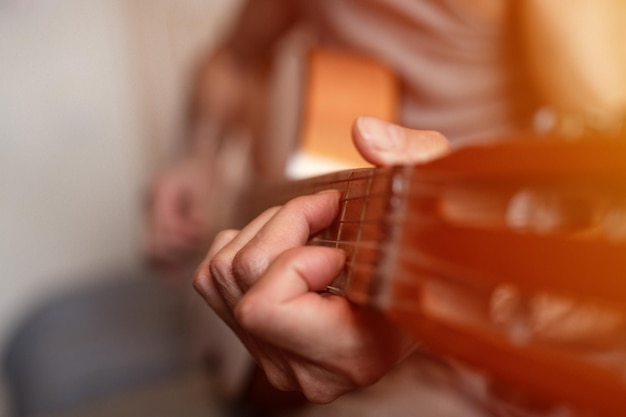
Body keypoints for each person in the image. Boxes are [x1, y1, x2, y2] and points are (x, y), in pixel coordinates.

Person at [145, 0, 626, 415]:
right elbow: (234, 60)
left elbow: (604, 191)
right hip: (306, 262)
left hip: (461, 326)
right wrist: (199, 155)